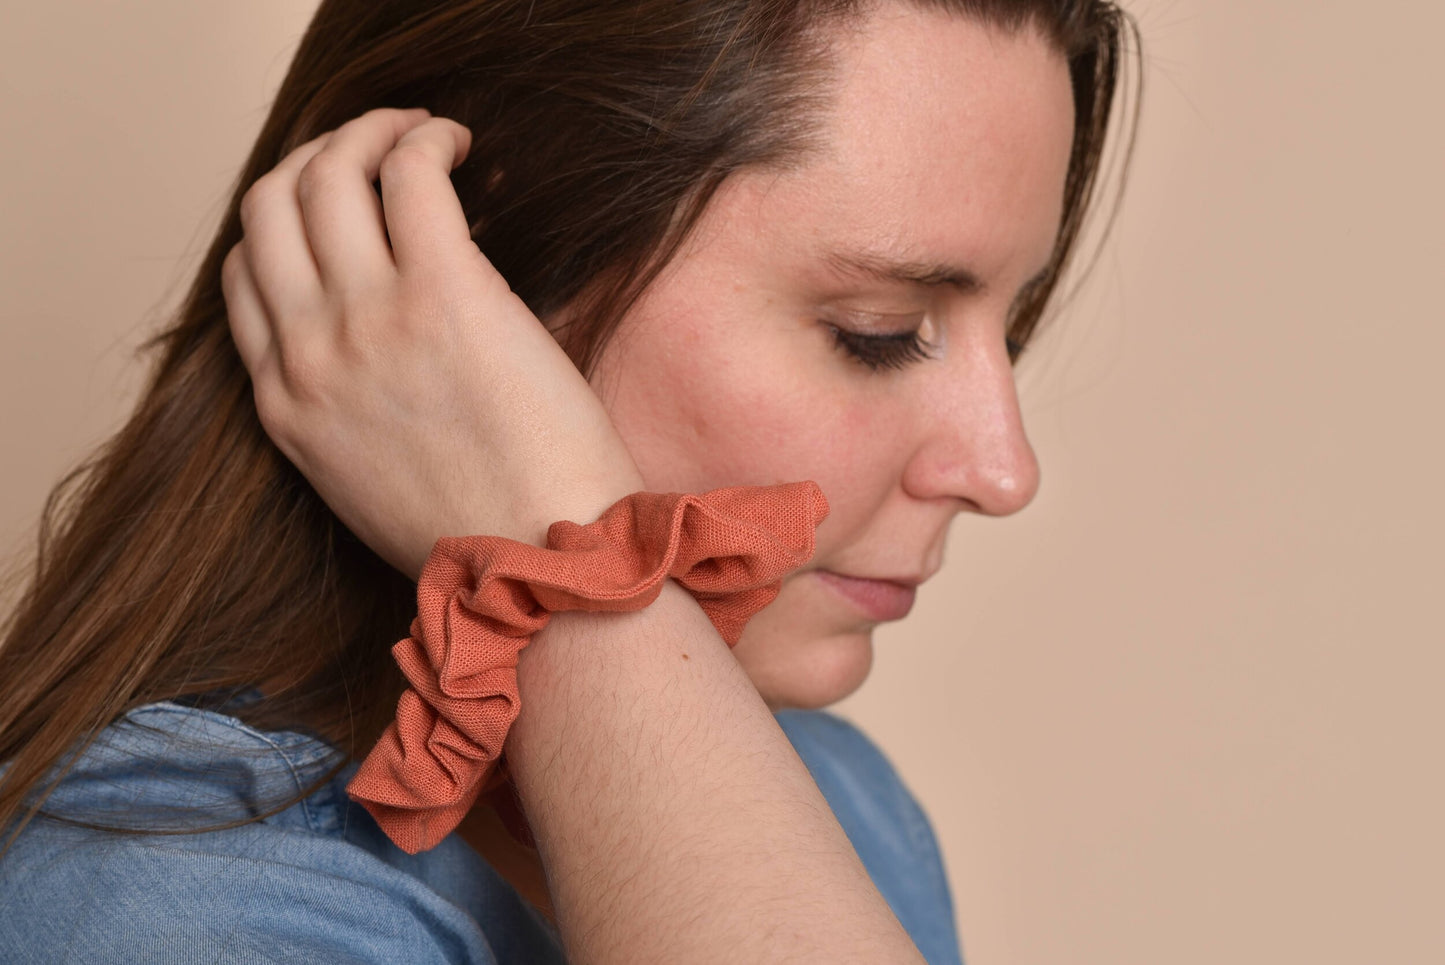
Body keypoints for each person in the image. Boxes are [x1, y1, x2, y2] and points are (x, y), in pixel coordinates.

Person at [0, 0, 1137, 961]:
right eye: (877, 331)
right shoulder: (172, 897)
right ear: (456, 275)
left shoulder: (844, 806)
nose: (1003, 468)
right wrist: (559, 558)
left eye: (1014, 323)